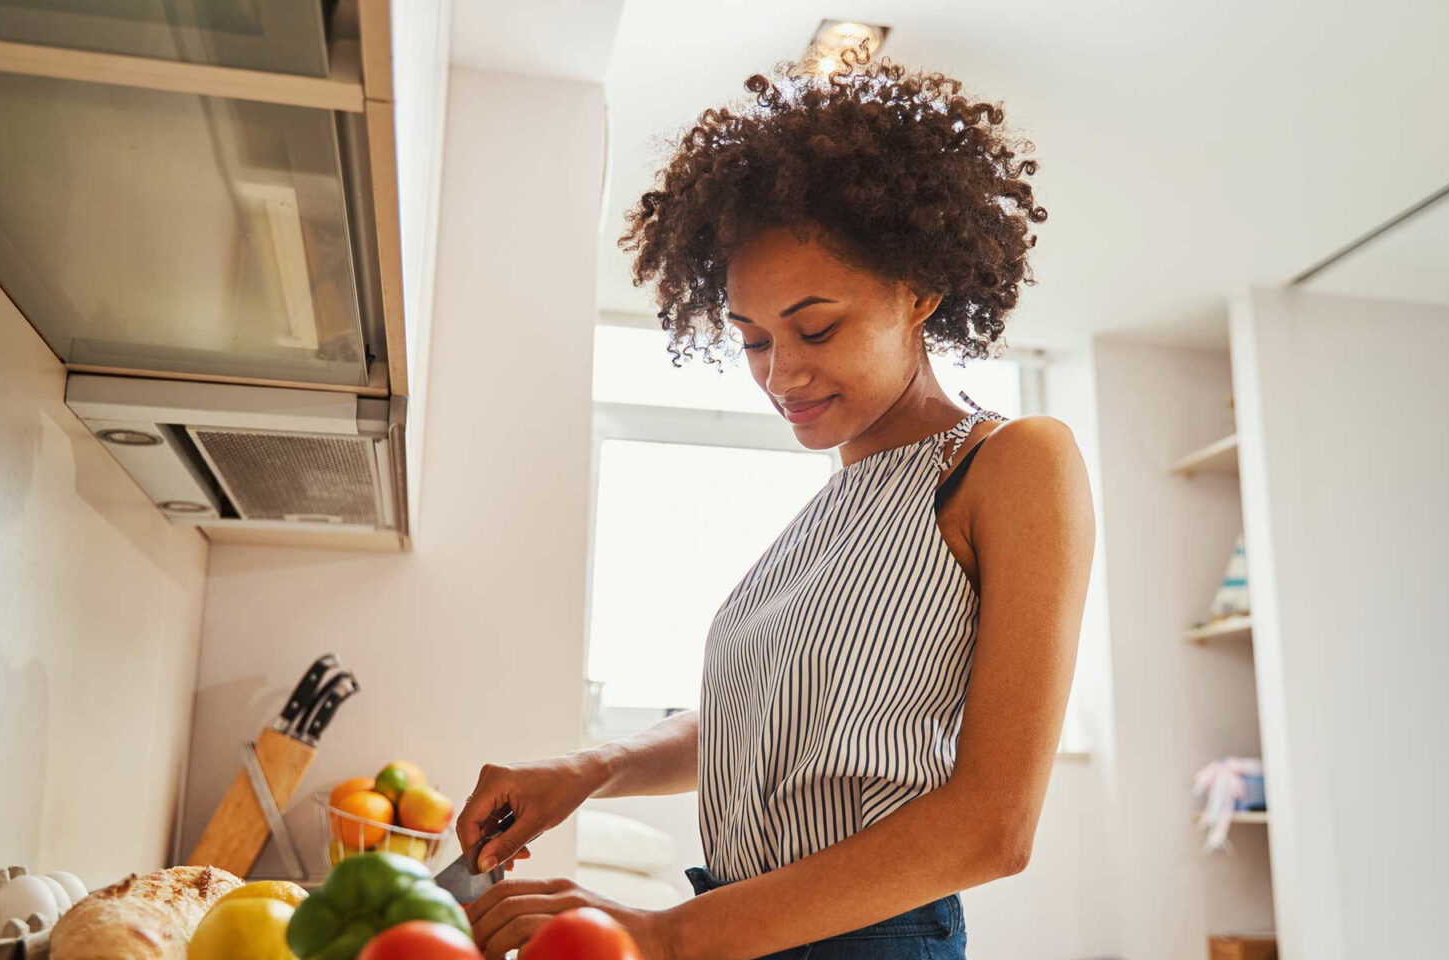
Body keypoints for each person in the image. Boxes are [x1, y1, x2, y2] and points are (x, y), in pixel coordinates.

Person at [459, 49, 1095, 960]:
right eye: (753, 339)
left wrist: (667, 935)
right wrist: (587, 769)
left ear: (920, 291)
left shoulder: (1013, 462)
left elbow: (993, 828)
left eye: (817, 326)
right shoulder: (835, 510)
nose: (780, 373)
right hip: (741, 930)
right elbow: (763, 721)